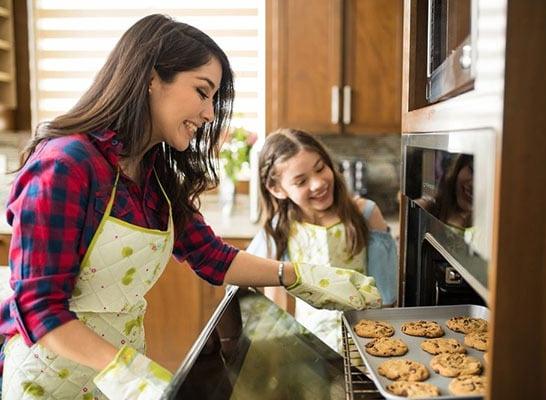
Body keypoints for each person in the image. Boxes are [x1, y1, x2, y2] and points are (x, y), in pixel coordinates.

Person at [0, 15, 380, 399]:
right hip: (51, 381)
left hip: (116, 378)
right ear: (151, 78)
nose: (210, 113)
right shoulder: (66, 165)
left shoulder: (156, 176)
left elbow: (211, 256)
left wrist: (296, 275)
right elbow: (38, 307)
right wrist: (126, 372)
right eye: (202, 91)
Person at [247, 128, 398, 352]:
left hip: (366, 345)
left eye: (320, 168)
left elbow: (387, 294)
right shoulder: (279, 228)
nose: (318, 183)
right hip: (310, 350)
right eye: (301, 181)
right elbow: (273, 301)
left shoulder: (365, 213)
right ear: (277, 189)